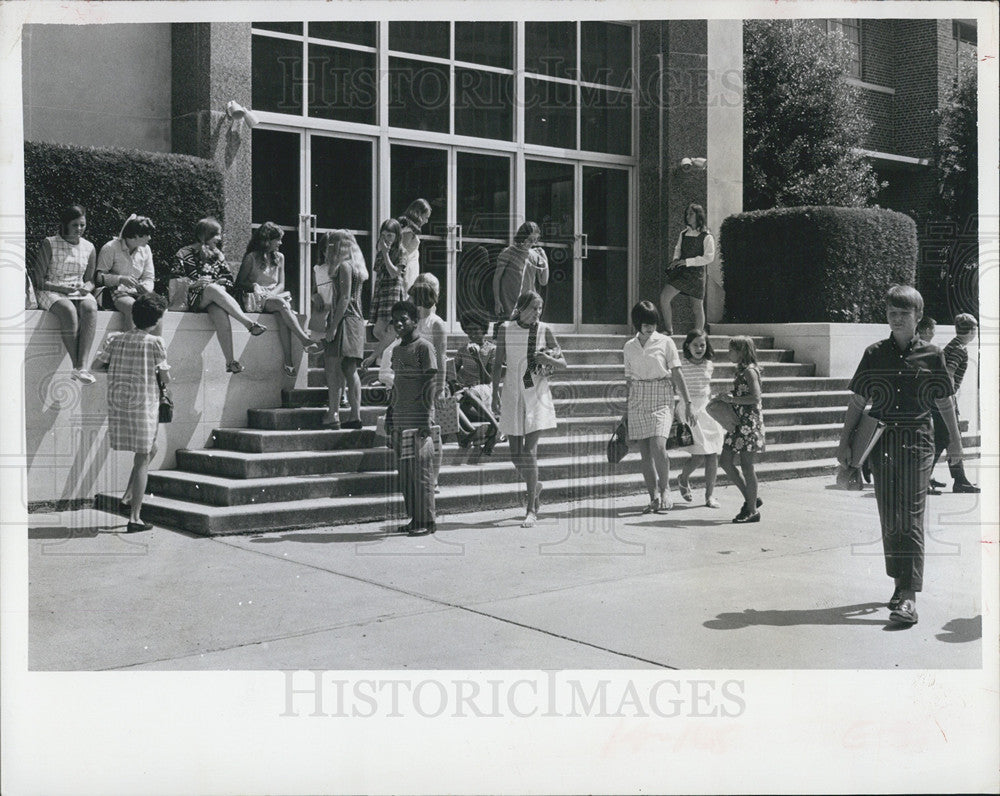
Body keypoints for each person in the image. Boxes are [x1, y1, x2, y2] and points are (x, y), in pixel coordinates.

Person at [837, 285, 963, 626]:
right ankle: (898, 583)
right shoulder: (874, 353)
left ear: (917, 316)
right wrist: (844, 442)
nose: (896, 318)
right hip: (881, 442)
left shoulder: (932, 355)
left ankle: (909, 595)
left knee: (910, 516)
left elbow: (944, 403)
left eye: (903, 313)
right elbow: (858, 402)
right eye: (892, 312)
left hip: (919, 442)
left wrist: (954, 443)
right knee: (890, 516)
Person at [91, 292, 170, 533]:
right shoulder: (155, 342)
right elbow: (164, 376)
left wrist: (121, 370)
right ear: (156, 321)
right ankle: (135, 518)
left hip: (120, 403)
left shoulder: (115, 339)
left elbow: (96, 366)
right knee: (143, 456)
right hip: (144, 404)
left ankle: (127, 496)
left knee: (149, 450)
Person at [491, 290, 567, 528]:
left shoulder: (544, 330)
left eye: (540, 308)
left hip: (536, 393)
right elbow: (497, 363)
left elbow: (563, 363)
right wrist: (494, 392)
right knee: (515, 455)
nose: (537, 312)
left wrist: (549, 360)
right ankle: (535, 486)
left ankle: (531, 508)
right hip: (513, 391)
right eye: (534, 308)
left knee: (529, 452)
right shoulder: (505, 328)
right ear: (521, 307)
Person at [622, 300, 694, 513]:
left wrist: (687, 402)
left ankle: (665, 489)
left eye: (653, 322)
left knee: (659, 446)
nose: (650, 327)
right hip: (638, 397)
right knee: (645, 453)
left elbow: (677, 373)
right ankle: (653, 496)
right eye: (646, 323)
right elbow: (629, 381)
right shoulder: (629, 346)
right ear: (637, 323)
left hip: (662, 395)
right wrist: (626, 412)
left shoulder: (665, 342)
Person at [174, 217, 266, 373]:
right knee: (211, 289)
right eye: (216, 234)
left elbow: (229, 280)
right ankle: (248, 324)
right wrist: (195, 283)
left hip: (213, 299)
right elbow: (175, 280)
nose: (219, 238)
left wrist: (220, 284)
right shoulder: (184, 253)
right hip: (192, 298)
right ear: (206, 235)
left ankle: (230, 362)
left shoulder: (218, 255)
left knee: (219, 311)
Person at [235, 221, 322, 377]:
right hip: (256, 298)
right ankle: (305, 339)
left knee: (282, 316)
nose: (280, 243)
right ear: (267, 240)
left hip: (274, 297)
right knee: (282, 305)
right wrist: (256, 287)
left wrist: (272, 294)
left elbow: (281, 284)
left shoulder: (280, 257)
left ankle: (288, 362)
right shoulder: (251, 258)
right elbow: (240, 282)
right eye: (278, 239)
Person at [387, 299, 438, 536]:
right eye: (395, 320)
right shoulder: (397, 350)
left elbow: (430, 383)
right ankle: (414, 518)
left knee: (422, 472)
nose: (398, 324)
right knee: (406, 473)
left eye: (403, 319)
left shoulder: (424, 347)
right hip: (401, 418)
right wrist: (390, 413)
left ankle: (427, 521)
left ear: (414, 321)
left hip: (419, 419)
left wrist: (427, 417)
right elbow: (396, 384)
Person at [31, 204, 99, 384]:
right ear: (66, 225)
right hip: (51, 290)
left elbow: (91, 280)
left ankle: (82, 366)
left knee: (91, 307)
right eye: (75, 225)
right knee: (68, 310)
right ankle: (77, 367)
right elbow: (38, 279)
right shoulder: (50, 243)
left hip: (77, 291)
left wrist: (87, 288)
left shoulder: (89, 247)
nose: (79, 229)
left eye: (82, 225)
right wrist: (62, 289)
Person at [317, 230, 368, 429]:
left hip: (345, 320)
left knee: (333, 369)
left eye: (332, 244)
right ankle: (354, 415)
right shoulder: (355, 268)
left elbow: (344, 298)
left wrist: (333, 327)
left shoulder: (344, 267)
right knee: (349, 369)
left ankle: (334, 414)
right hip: (356, 320)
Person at [715, 336, 766, 523]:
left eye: (731, 350)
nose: (729, 353)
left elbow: (756, 397)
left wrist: (731, 399)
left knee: (746, 465)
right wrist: (729, 396)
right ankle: (751, 498)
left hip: (748, 424)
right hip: (738, 422)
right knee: (725, 461)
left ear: (741, 351)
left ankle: (752, 509)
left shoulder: (750, 371)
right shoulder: (742, 371)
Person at [929, 312, 980, 494]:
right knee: (945, 437)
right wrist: (950, 397)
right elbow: (949, 373)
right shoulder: (959, 348)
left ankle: (960, 480)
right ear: (972, 331)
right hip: (944, 398)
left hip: (938, 397)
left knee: (946, 437)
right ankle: (925, 477)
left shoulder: (953, 344)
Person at [676, 329, 725, 508]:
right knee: (698, 455)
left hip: (707, 411)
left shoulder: (709, 364)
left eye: (702, 345)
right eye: (695, 345)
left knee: (712, 454)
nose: (699, 348)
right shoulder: (680, 365)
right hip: (689, 411)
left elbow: (707, 389)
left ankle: (709, 496)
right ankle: (683, 478)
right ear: (688, 346)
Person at [409, 275, 448, 487]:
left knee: (433, 431)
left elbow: (441, 357)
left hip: (430, 382)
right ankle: (419, 474)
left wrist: (440, 387)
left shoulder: (436, 324)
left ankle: (433, 478)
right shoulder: (412, 321)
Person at [659, 202, 715, 335]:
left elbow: (709, 258)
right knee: (664, 298)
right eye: (687, 213)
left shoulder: (707, 236)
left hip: (697, 275)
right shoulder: (683, 233)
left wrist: (688, 261)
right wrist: (676, 260)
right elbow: (678, 249)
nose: (687, 216)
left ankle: (699, 335)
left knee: (697, 307)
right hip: (682, 272)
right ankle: (669, 329)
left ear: (698, 216)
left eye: (691, 214)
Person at [362, 218, 408, 375]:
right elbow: (378, 271)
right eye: (383, 235)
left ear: (396, 236)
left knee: (385, 329)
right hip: (383, 293)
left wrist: (386, 254)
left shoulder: (401, 251)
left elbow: (394, 273)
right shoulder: (380, 252)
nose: (386, 239)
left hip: (394, 292)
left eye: (390, 235)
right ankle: (396, 348)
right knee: (378, 330)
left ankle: (381, 357)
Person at [452, 312, 500, 457]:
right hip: (467, 390)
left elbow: (489, 380)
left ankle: (496, 427)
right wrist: (453, 381)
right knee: (449, 402)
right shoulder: (463, 349)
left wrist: (477, 359)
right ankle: (469, 432)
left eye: (476, 330)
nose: (472, 334)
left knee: (468, 393)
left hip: (484, 389)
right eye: (469, 330)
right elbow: (452, 372)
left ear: (484, 330)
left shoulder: (492, 349)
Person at [96, 214, 156, 331]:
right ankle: (130, 345)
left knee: (158, 308)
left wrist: (146, 288)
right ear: (135, 236)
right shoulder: (110, 247)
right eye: (146, 235)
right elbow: (99, 277)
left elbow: (149, 277)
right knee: (132, 307)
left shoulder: (146, 250)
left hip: (137, 292)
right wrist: (120, 279)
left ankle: (153, 347)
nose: (149, 238)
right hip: (114, 291)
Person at [493, 221, 549, 322]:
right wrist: (497, 301)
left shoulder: (534, 255)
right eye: (530, 240)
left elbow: (543, 281)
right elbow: (497, 278)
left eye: (535, 240)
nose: (532, 243)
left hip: (528, 302)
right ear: (522, 236)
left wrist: (544, 258)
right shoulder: (508, 252)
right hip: (510, 300)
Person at [398, 198, 432, 291]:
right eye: (426, 217)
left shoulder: (411, 229)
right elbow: (402, 251)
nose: (426, 221)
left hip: (411, 266)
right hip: (407, 267)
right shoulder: (408, 230)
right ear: (419, 214)